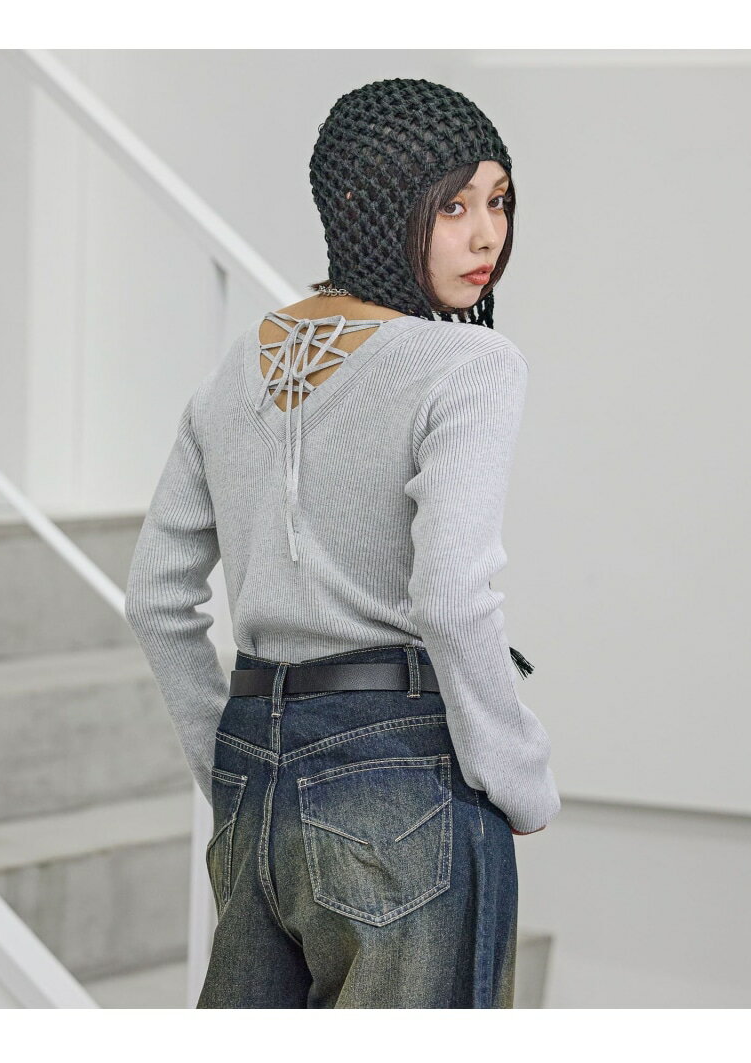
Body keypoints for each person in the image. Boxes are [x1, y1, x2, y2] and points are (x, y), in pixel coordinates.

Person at [124, 77, 561, 1008]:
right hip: (401, 772)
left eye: (499, 201)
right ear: (370, 205)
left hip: (255, 772)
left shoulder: (237, 367)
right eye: (453, 206)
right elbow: (451, 595)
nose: (487, 236)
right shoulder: (469, 363)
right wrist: (520, 776)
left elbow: (155, 597)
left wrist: (231, 767)